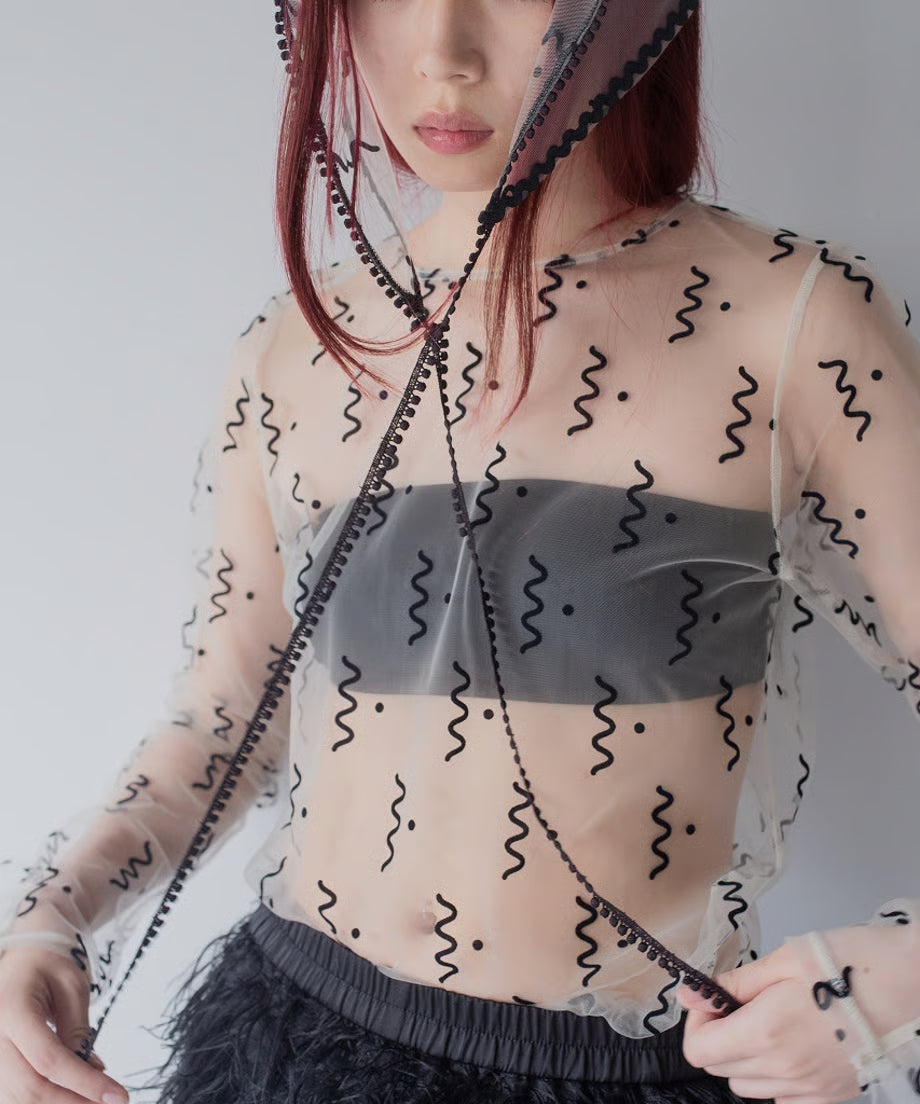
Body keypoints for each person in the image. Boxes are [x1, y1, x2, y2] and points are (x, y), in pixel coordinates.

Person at [1, 1, 919, 1103]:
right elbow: (226, 717)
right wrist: (46, 915)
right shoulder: (293, 348)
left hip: (625, 1074)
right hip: (289, 1049)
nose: (443, 53)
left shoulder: (791, 323)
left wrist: (896, 980)